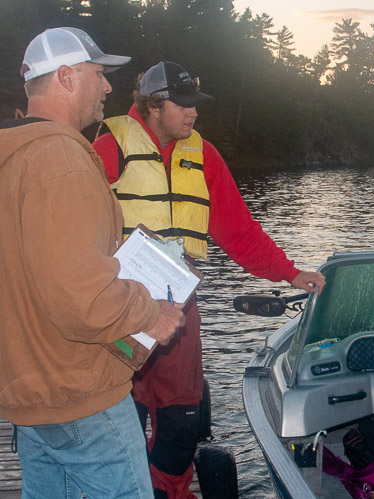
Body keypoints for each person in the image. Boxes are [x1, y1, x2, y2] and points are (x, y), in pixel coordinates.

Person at [93, 60, 326, 498]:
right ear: (154, 106)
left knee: (182, 421)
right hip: (120, 308)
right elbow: (75, 228)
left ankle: (171, 492)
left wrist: (290, 272)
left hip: (180, 310)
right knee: (119, 415)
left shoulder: (204, 155)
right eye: (183, 104)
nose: (194, 112)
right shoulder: (108, 148)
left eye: (195, 103)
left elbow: (239, 230)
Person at [0, 27, 185, 498]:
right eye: (98, 74)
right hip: (80, 396)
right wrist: (150, 312)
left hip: (28, 396)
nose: (107, 86)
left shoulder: (12, 157)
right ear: (66, 77)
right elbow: (80, 293)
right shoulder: (61, 159)